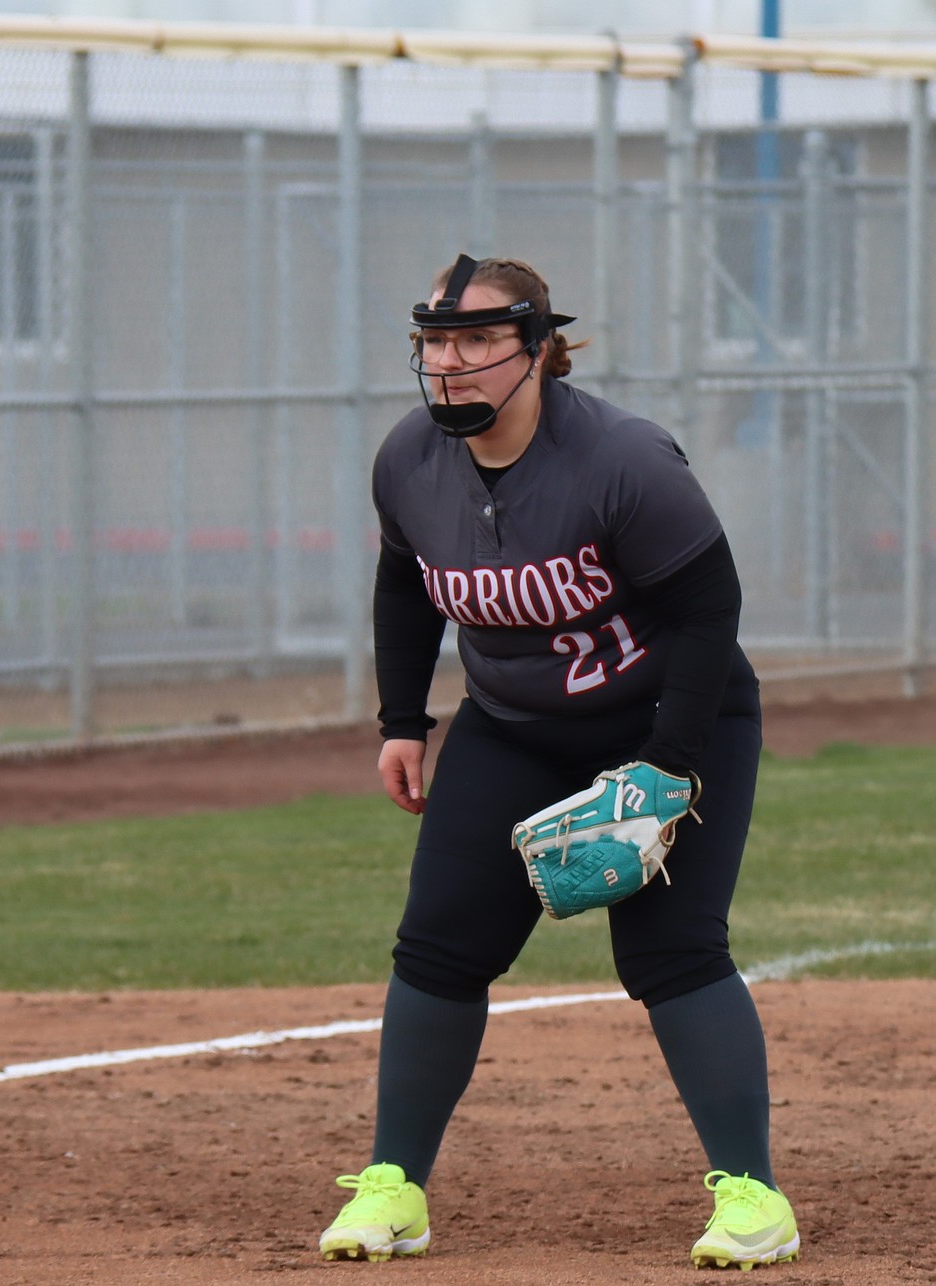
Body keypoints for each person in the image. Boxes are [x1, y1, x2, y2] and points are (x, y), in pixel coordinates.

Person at [317, 253, 800, 1269]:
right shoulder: (408, 459)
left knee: (671, 950)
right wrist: (402, 718)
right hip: (513, 725)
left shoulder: (621, 459)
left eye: (479, 340)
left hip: (670, 717)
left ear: (538, 350)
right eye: (436, 343)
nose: (451, 363)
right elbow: (407, 584)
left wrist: (667, 767)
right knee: (440, 945)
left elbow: (711, 609)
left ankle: (754, 1197)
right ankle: (395, 1185)